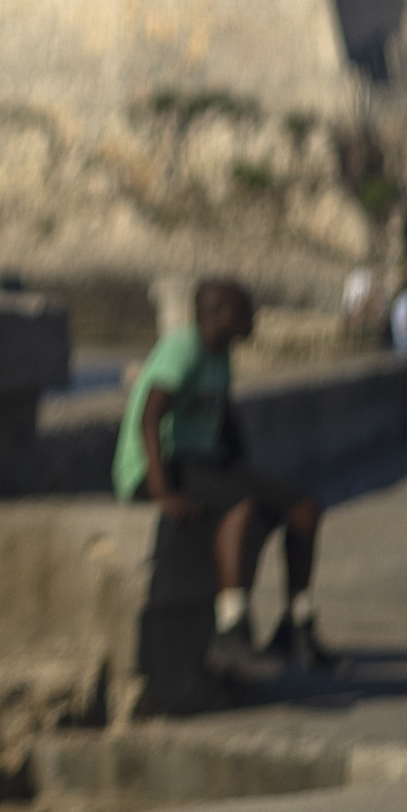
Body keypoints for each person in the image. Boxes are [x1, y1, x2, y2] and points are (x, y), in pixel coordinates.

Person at [116, 276, 331, 670]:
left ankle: (297, 624)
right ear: (215, 314)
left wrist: (245, 469)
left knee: (304, 508)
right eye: (244, 311)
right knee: (239, 505)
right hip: (158, 467)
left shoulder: (221, 354)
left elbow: (224, 417)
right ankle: (231, 630)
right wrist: (162, 492)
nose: (253, 318)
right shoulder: (184, 349)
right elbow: (150, 416)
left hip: (200, 462)